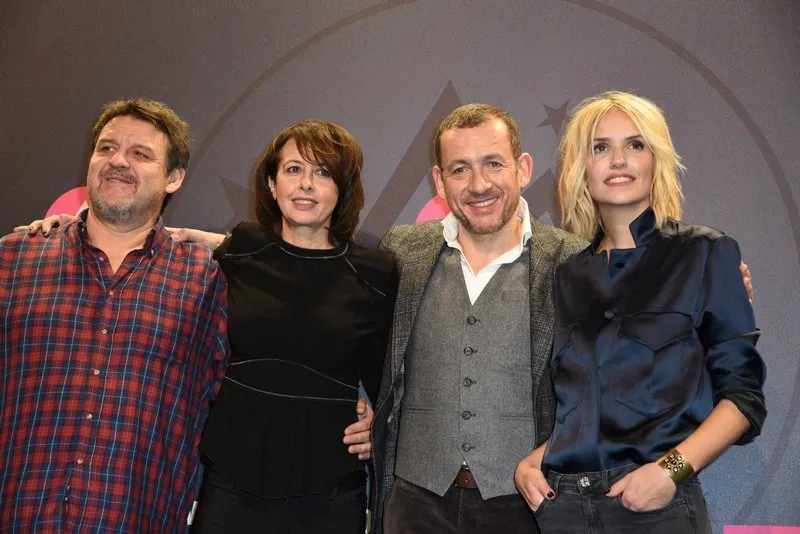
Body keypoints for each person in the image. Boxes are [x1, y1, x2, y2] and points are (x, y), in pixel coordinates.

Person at [513, 91, 767, 533]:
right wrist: (533, 463)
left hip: (656, 510)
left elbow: (743, 397)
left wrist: (670, 471)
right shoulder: (566, 277)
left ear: (657, 159)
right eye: (600, 147)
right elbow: (584, 404)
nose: (618, 160)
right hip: (565, 509)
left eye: (635, 144)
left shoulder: (705, 253)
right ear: (580, 169)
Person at [0, 98, 230, 532]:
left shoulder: (207, 279)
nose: (118, 162)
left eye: (140, 154)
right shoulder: (14, 260)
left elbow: (256, 385)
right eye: (106, 148)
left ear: (174, 178)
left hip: (136, 518)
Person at [371, 103, 588, 534]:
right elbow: (329, 280)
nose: (479, 184)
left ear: (523, 168)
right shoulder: (402, 249)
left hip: (523, 507)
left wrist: (707, 278)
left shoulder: (570, 261)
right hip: (414, 503)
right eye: (459, 169)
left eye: (493, 163)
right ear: (438, 180)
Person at [175, 120, 397, 533]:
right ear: (273, 185)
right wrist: (73, 222)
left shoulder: (376, 271)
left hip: (329, 481)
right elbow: (160, 240)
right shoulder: (242, 246)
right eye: (293, 169)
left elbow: (390, 375)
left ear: (343, 189)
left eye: (322, 172)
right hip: (231, 472)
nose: (306, 184)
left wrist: (377, 423)